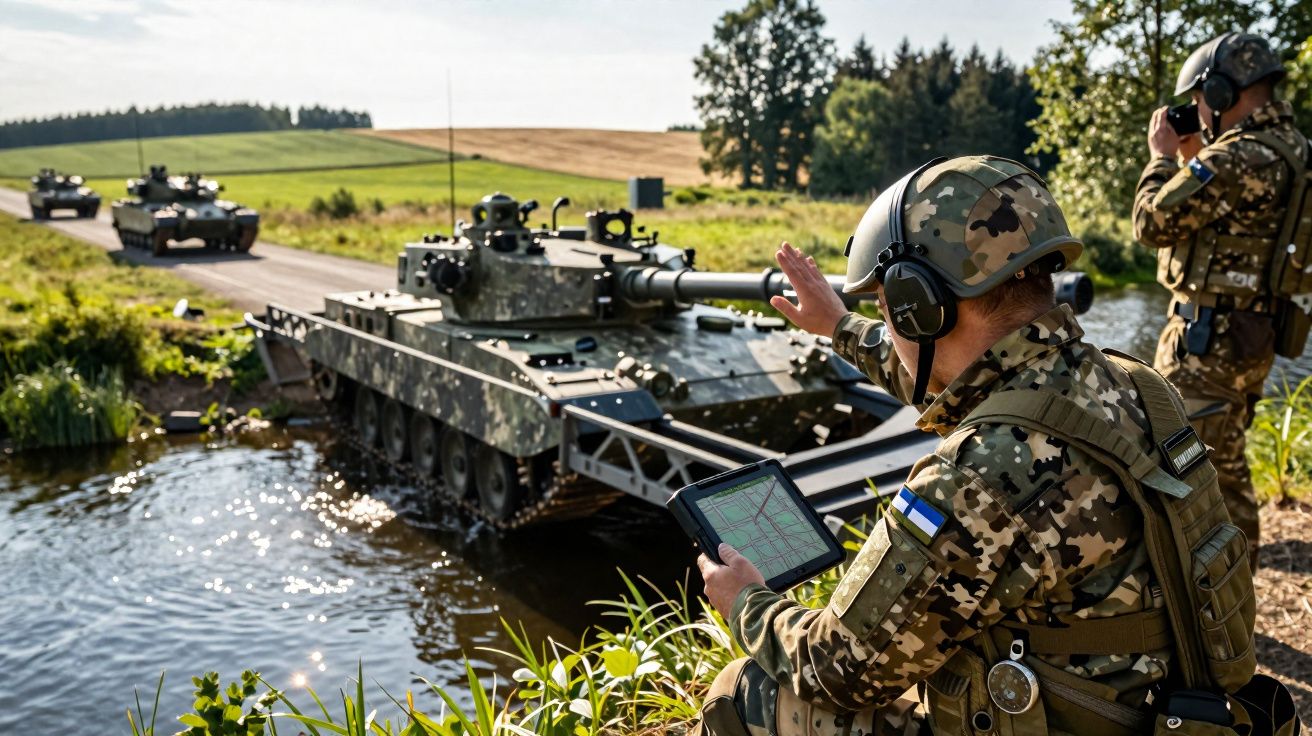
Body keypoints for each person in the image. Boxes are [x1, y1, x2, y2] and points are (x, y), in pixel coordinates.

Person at [692, 155, 1268, 736]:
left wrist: (747, 603)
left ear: (921, 310)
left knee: (747, 691)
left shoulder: (977, 477)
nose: (892, 330)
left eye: (890, 315)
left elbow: (835, 668)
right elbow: (959, 385)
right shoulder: (1136, 387)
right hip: (1164, 708)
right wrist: (841, 326)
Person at [1133, 32, 1307, 566]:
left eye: (1199, 100)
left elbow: (1152, 220)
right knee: (1221, 459)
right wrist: (1196, 157)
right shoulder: (1291, 148)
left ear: (1223, 91)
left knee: (1207, 479)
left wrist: (1162, 159)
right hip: (1250, 336)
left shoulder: (1239, 157)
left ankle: (1230, 615)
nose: (1196, 112)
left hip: (1209, 344)